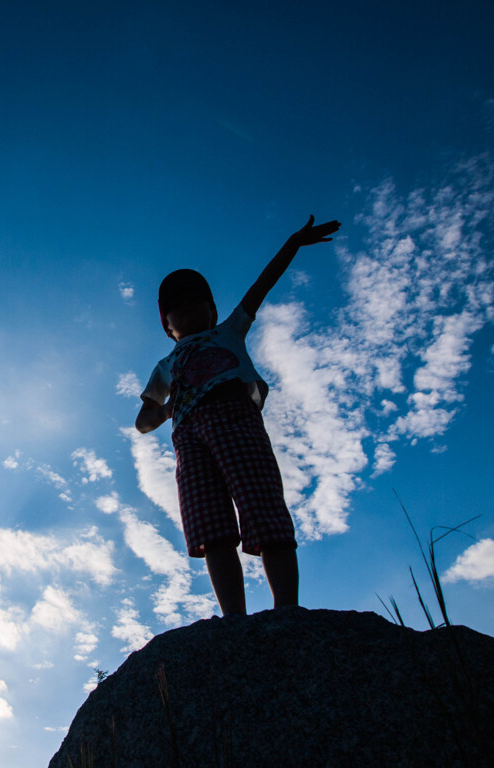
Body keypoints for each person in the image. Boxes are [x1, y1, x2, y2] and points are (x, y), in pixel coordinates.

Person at [136, 215, 341, 616]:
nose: (188, 307)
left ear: (213, 310)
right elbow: (142, 422)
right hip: (188, 438)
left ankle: (287, 609)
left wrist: (293, 244)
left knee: (262, 506)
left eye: (197, 300)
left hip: (234, 418)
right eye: (178, 306)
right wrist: (164, 411)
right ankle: (234, 619)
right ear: (167, 325)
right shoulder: (164, 365)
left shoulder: (229, 330)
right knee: (210, 526)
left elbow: (260, 287)